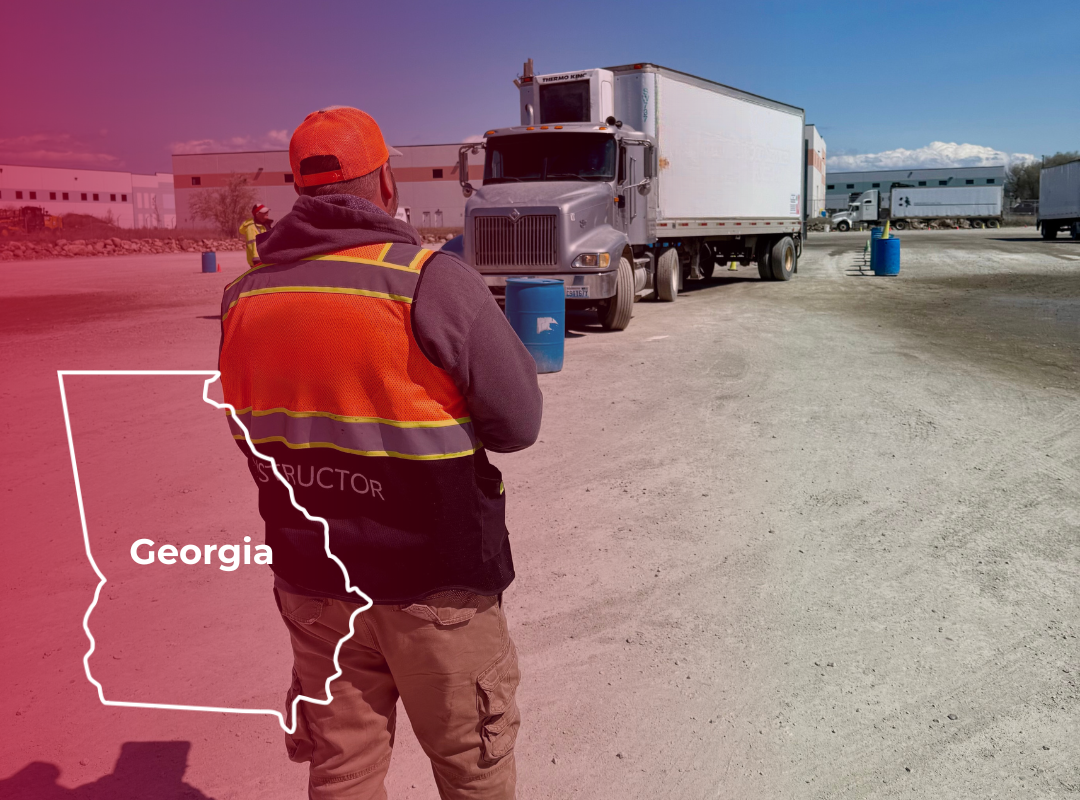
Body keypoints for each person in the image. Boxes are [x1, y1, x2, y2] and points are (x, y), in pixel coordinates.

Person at [218, 106, 543, 800]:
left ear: (298, 189)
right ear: (386, 183)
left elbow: (250, 433)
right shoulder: (429, 281)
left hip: (314, 584)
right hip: (437, 587)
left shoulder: (242, 299)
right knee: (473, 772)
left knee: (343, 773)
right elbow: (518, 423)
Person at [239, 203, 273, 268]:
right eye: (264, 212)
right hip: (259, 262)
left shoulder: (267, 225)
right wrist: (257, 261)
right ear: (257, 214)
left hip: (268, 260)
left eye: (267, 211)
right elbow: (253, 245)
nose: (267, 213)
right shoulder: (251, 227)